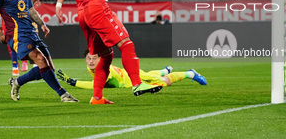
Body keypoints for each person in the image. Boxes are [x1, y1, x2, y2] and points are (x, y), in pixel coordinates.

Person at [0, 0, 78, 102]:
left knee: (49, 67)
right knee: (40, 59)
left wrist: (42, 23)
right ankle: (63, 94)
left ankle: (17, 82)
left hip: (31, 32)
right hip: (17, 35)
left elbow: (30, 10)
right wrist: (0, 34)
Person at [57, 50, 207, 89]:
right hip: (130, 74)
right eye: (88, 58)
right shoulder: (95, 66)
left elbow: (95, 85)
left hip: (134, 80)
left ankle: (191, 73)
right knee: (148, 74)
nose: (90, 61)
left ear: (100, 59)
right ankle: (164, 70)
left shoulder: (104, 69)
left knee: (165, 83)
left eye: (94, 58)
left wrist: (73, 82)